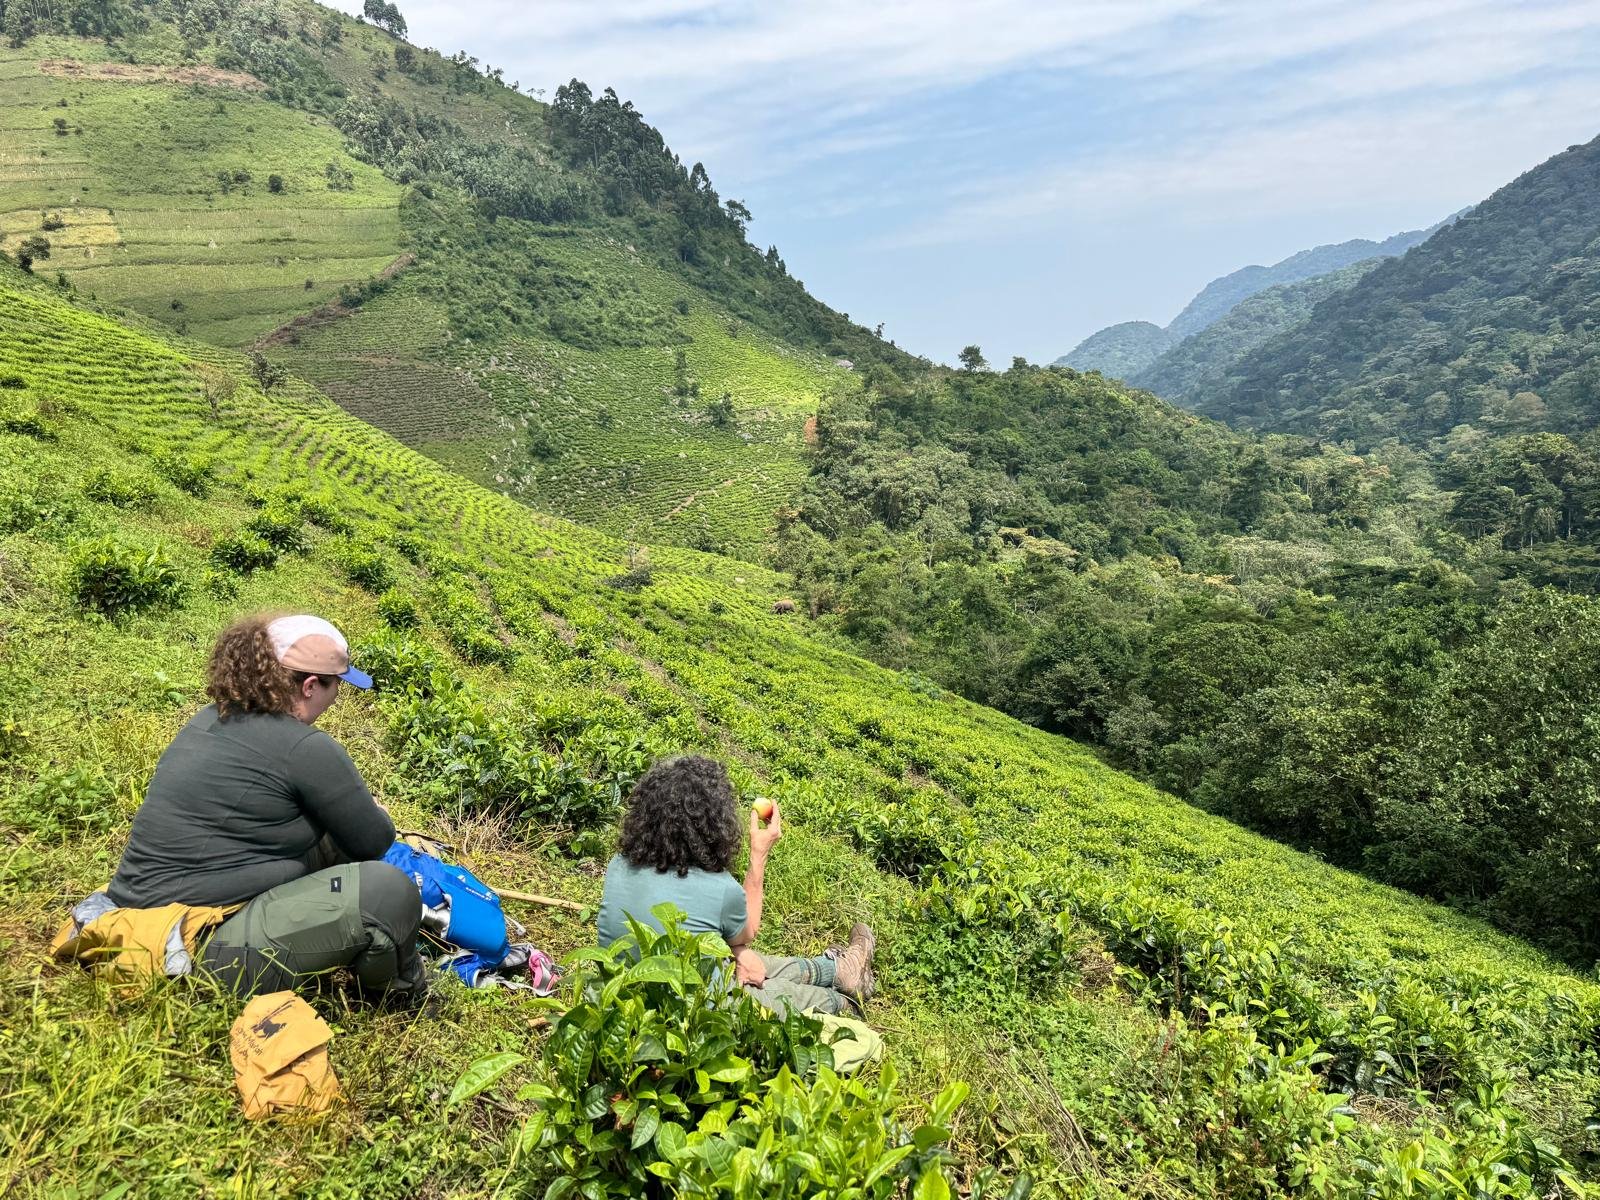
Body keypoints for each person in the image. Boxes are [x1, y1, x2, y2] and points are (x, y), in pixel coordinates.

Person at [102, 613, 427, 1004]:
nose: (336, 698)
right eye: (336, 686)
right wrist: (377, 812)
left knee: (332, 842)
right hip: (189, 952)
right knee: (388, 892)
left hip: (137, 921)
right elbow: (374, 840)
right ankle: (401, 996)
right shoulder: (304, 746)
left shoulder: (209, 719)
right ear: (310, 686)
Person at [596, 755, 875, 1016]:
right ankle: (845, 1000)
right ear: (715, 825)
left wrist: (740, 953)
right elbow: (746, 933)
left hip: (623, 995)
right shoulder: (719, 889)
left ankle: (839, 969)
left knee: (753, 961)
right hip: (699, 1011)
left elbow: (736, 946)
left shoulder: (617, 866)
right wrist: (759, 853)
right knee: (804, 998)